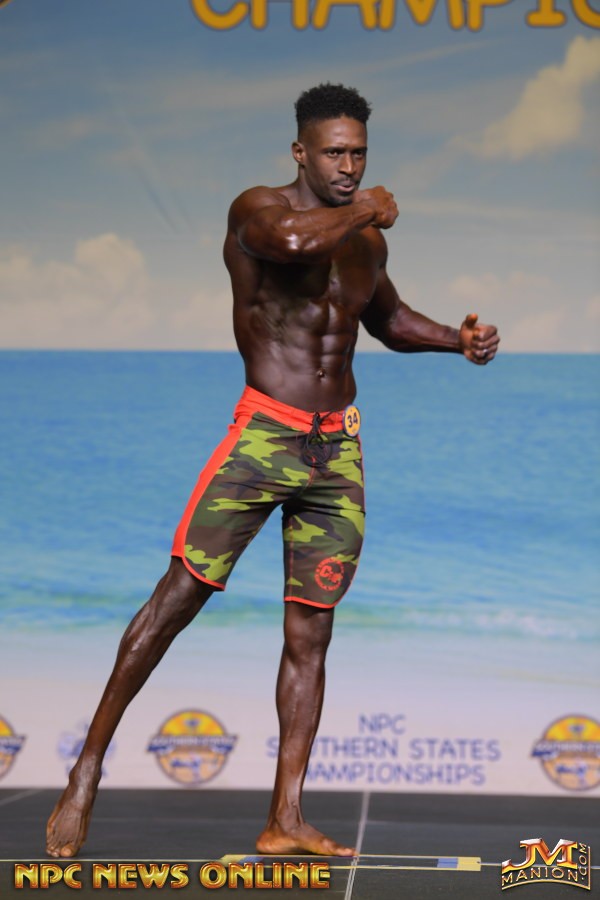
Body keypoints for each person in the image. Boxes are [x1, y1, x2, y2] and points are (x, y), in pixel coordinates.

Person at [46, 83, 499, 860]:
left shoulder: (366, 242)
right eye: (334, 153)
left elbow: (388, 321)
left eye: (359, 154)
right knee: (176, 600)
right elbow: (291, 243)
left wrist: (456, 342)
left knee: (311, 632)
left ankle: (285, 816)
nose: (349, 167)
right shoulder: (258, 211)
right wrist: (366, 209)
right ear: (300, 152)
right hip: (264, 436)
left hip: (337, 451)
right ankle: (86, 770)